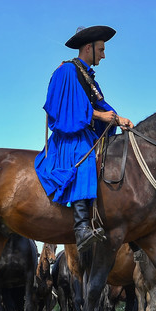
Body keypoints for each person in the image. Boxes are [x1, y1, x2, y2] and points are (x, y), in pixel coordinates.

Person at [34, 25, 134, 252]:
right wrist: (100, 115)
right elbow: (62, 108)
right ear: (88, 48)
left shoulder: (88, 77)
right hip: (70, 136)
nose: (104, 55)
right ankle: (81, 228)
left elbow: (100, 105)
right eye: (101, 49)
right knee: (85, 158)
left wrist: (119, 119)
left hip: (84, 132)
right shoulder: (67, 71)